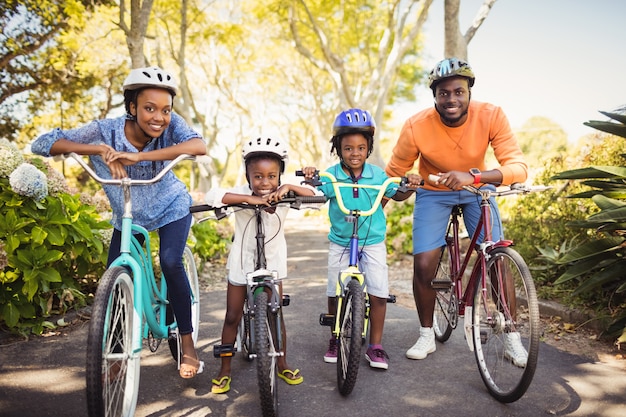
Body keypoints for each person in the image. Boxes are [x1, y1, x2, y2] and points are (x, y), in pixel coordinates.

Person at [31, 66, 207, 379]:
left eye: (165, 110)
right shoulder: (105, 130)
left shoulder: (170, 126)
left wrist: (139, 158)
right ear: (132, 108)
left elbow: (198, 146)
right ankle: (115, 352)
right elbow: (43, 144)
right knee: (114, 281)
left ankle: (188, 344)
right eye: (149, 108)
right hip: (127, 214)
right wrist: (96, 149)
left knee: (169, 261)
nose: (158, 117)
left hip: (172, 206)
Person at [385, 57, 529, 366]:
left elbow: (517, 167)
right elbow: (393, 175)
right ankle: (426, 334)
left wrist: (475, 177)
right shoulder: (416, 126)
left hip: (477, 189)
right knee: (424, 265)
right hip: (433, 193)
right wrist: (381, 205)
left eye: (458, 92)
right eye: (444, 93)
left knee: (496, 256)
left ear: (469, 93)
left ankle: (513, 338)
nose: (452, 99)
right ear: (435, 96)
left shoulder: (491, 115)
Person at [301, 108, 418, 370]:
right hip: (341, 241)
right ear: (338, 149)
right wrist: (312, 177)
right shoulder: (332, 174)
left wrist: (408, 185)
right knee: (334, 290)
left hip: (372, 240)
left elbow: (396, 193)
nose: (355, 153)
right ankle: (335, 336)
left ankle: (375, 345)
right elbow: (315, 191)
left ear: (369, 148)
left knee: (378, 292)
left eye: (361, 148)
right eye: (348, 148)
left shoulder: (377, 175)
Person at [206, 137, 318, 394]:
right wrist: (252, 201)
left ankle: (282, 363)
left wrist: (290, 187)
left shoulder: (285, 192)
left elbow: (316, 193)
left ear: (279, 176)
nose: (265, 183)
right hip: (241, 264)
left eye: (272, 176)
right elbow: (213, 195)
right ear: (247, 175)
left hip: (273, 265)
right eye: (257, 176)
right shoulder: (243, 193)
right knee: (233, 315)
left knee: (275, 312)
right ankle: (224, 370)